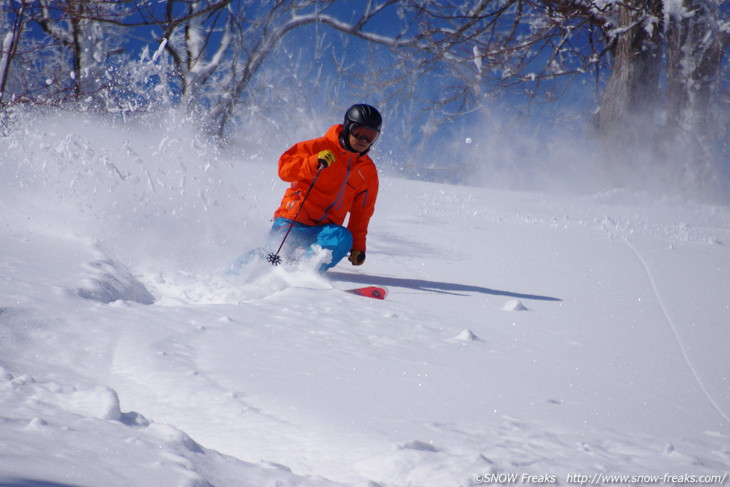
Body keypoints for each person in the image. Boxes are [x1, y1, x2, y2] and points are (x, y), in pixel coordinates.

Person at [269, 103, 382, 272]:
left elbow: (362, 212)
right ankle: (240, 273)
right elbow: (284, 170)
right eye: (358, 132)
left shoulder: (367, 171)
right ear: (347, 127)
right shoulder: (318, 147)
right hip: (291, 222)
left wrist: (358, 245)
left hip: (324, 231)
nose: (363, 140)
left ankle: (304, 271)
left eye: (370, 136)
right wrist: (313, 162)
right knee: (275, 254)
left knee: (342, 237)